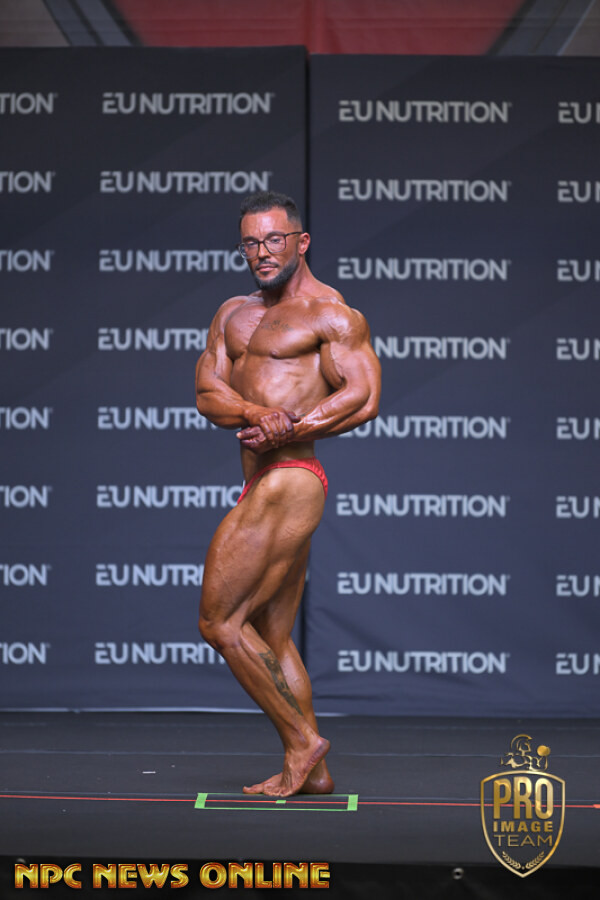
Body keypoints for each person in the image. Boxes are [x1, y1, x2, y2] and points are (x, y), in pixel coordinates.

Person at [195, 190, 381, 797]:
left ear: (301, 242)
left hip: (293, 477)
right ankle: (315, 772)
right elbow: (208, 393)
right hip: (261, 478)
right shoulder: (232, 314)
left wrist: (290, 427)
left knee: (220, 622)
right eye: (250, 242)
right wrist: (256, 412)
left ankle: (303, 743)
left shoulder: (332, 314)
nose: (262, 252)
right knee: (271, 637)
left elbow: (363, 396)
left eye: (274, 239)